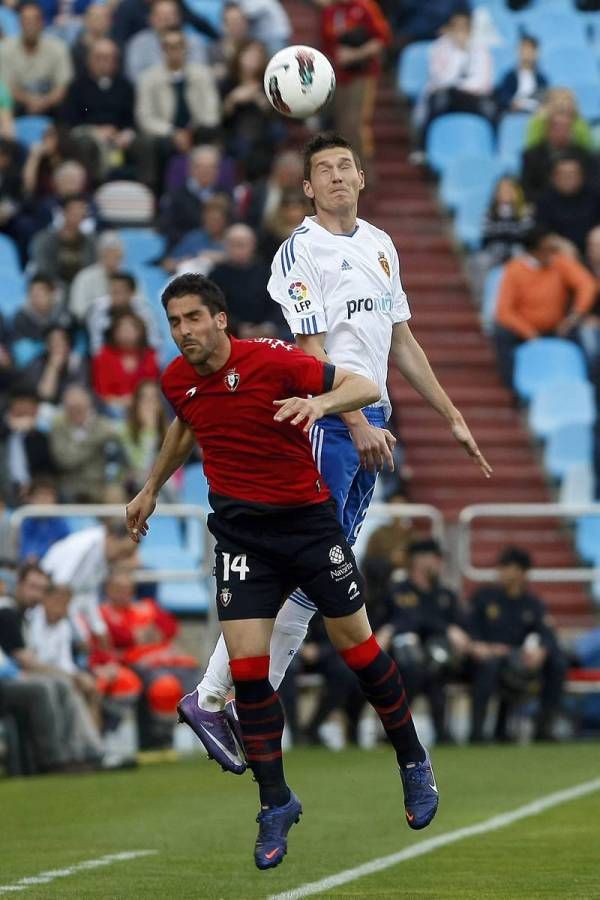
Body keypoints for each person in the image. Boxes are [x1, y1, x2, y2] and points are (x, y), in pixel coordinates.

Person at [193, 131, 491, 772]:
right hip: (330, 425)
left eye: (344, 166)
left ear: (361, 178)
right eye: (322, 169)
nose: (335, 176)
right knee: (313, 571)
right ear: (306, 187)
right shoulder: (301, 251)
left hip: (370, 423)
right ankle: (216, 697)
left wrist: (451, 415)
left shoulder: (382, 244)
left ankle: (228, 700)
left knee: (316, 578)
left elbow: (401, 343)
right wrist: (353, 420)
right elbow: (310, 353)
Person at [126, 272, 440, 867]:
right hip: (242, 537)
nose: (184, 332)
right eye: (174, 323)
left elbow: (365, 383)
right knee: (249, 675)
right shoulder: (177, 381)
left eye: (193, 318)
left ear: (220, 319)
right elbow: (185, 422)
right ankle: (275, 804)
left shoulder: (272, 360)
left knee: (361, 653)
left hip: (306, 526)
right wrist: (150, 489)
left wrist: (319, 403)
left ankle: (413, 761)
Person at [467, 546, 567, 742]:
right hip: (487, 655)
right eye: (502, 567)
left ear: (522, 573)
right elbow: (470, 628)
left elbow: (546, 632)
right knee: (490, 666)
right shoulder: (484, 597)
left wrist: (542, 650)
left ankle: (543, 728)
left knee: (558, 663)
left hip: (518, 658)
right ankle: (477, 733)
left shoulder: (532, 603)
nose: (503, 572)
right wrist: (482, 646)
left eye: (508, 568)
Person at [377, 539, 471, 744]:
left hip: (440, 658)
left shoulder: (445, 594)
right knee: (412, 669)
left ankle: (441, 732)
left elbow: (461, 627)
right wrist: (445, 628)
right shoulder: (398, 591)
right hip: (402, 659)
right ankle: (398, 733)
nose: (438, 564)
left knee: (436, 669)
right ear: (417, 561)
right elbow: (409, 620)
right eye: (434, 558)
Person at [493, 225, 597, 388]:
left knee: (587, 338)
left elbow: (587, 284)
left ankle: (589, 387)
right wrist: (529, 333)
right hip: (525, 331)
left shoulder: (559, 263)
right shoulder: (514, 270)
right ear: (534, 251)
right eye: (547, 249)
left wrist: (575, 315)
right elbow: (504, 312)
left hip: (558, 328)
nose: (552, 253)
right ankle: (512, 388)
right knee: (501, 333)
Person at [135, 28, 221, 189]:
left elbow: (212, 111)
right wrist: (173, 132)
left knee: (212, 132)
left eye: (178, 46)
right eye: (169, 46)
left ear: (185, 48)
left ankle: (213, 189)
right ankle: (157, 192)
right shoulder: (148, 78)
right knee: (152, 144)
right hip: (166, 134)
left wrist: (190, 131)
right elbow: (145, 117)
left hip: (197, 131)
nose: (174, 51)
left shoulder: (202, 74)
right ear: (162, 49)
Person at [318, 0, 392, 177]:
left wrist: (355, 55)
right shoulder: (330, 11)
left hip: (362, 73)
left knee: (356, 122)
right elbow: (327, 45)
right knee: (343, 124)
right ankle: (347, 170)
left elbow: (382, 39)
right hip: (339, 75)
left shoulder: (365, 7)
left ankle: (364, 172)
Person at [62, 38, 136, 184]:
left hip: (119, 137)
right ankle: (92, 188)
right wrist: (97, 131)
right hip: (87, 134)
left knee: (142, 144)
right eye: (100, 58)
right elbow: (72, 120)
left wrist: (125, 134)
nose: (105, 62)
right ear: (89, 60)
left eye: (109, 58)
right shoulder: (77, 87)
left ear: (116, 62)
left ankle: (143, 190)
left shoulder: (125, 86)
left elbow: (131, 118)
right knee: (87, 144)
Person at [49, 384, 123, 501]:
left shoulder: (101, 424)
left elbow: (118, 441)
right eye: (71, 408)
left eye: (79, 407)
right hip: (71, 487)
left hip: (99, 485)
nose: (76, 412)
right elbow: (65, 460)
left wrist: (78, 446)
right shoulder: (58, 427)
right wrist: (93, 440)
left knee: (116, 494)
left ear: (88, 405)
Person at [0, 2, 73, 118]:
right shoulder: (5, 49)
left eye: (35, 20)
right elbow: (6, 86)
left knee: (68, 106)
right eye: (26, 20)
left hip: (51, 105)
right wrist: (30, 101)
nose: (30, 25)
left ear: (42, 22)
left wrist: (44, 102)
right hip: (17, 105)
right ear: (19, 23)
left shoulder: (58, 47)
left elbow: (62, 86)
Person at [91, 309, 160, 412]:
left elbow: (152, 388)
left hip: (144, 407)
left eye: (130, 329)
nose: (126, 334)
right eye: (122, 330)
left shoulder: (149, 355)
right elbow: (101, 392)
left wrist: (136, 402)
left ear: (140, 332)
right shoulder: (104, 356)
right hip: (111, 408)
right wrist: (123, 402)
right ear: (114, 332)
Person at [535, 156, 600, 257]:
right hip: (560, 250)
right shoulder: (544, 200)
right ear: (554, 178)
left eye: (572, 174)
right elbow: (540, 231)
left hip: (592, 248)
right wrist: (560, 243)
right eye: (563, 175)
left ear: (581, 176)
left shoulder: (594, 195)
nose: (568, 178)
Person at [495, 34, 547, 116]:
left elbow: (543, 97)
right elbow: (503, 97)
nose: (526, 53)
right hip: (513, 112)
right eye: (523, 49)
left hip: (534, 113)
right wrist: (512, 103)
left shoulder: (541, 79)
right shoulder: (510, 76)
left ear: (536, 53)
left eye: (530, 49)